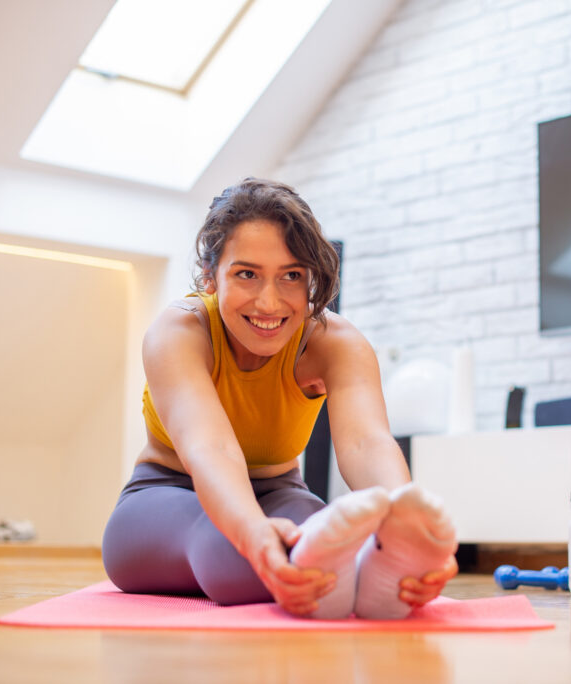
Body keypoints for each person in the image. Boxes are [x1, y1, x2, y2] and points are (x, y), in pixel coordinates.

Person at [101, 178, 458, 619]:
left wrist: (409, 530)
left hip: (281, 491)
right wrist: (253, 532)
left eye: (291, 276)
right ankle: (336, 575)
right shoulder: (178, 333)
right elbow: (209, 447)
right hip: (166, 494)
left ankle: (362, 575)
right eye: (246, 274)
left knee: (311, 534)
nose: (269, 302)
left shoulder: (335, 342)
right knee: (232, 551)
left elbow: (367, 443)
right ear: (211, 277)